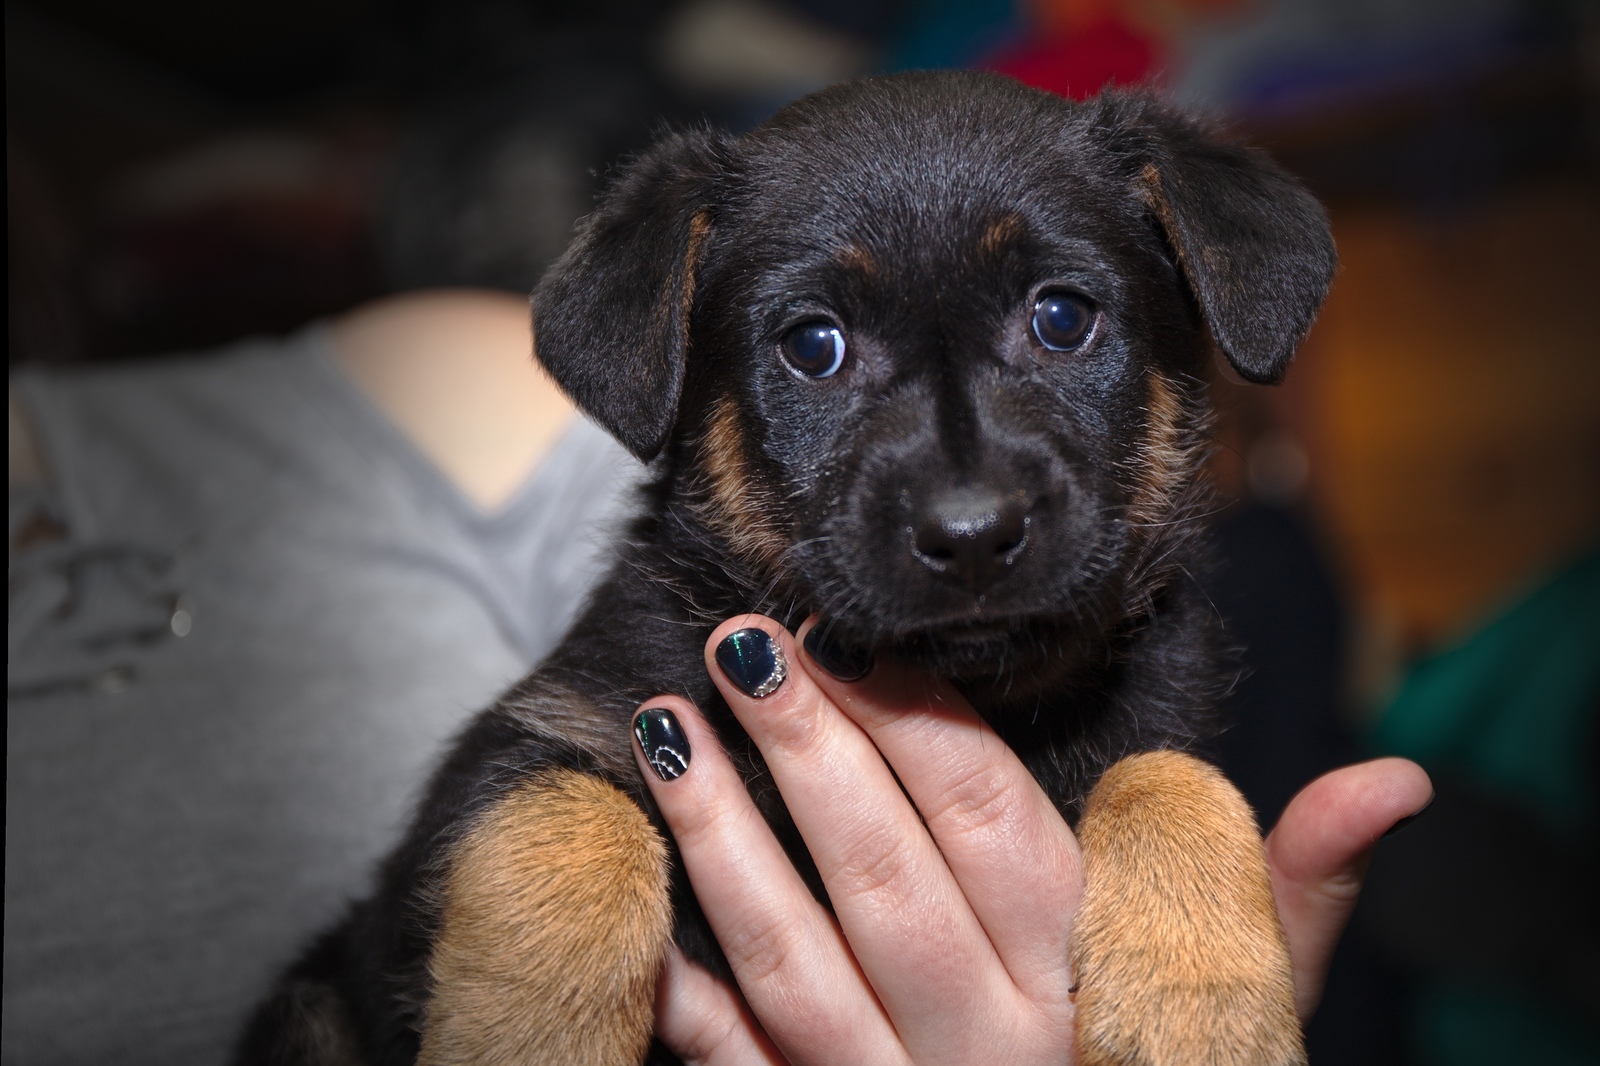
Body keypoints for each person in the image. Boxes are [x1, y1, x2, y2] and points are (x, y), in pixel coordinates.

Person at [7, 289, 1431, 1064]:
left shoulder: (406, 409)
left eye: (1062, 323)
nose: (964, 499)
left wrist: (1173, 845)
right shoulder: (666, 598)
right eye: (817, 347)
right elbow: (529, 779)